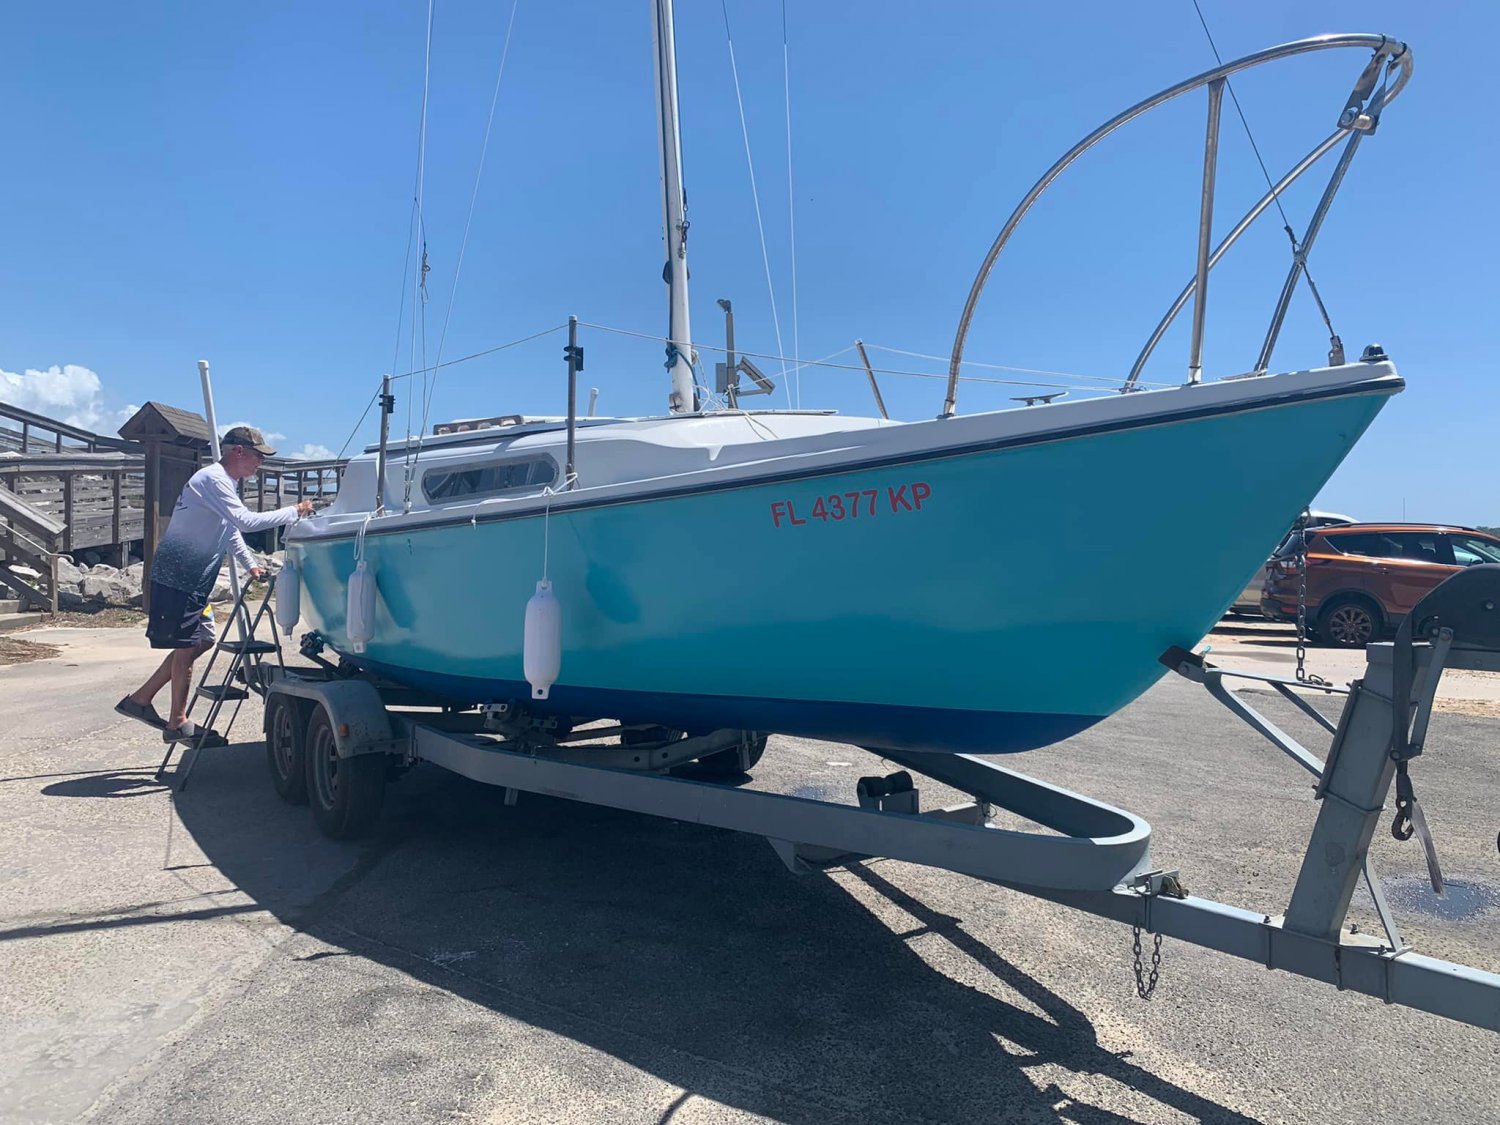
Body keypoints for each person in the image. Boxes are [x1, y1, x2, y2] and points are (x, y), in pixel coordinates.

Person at [116, 425, 313, 742]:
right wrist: (295, 510)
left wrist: (250, 564)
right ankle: (177, 721)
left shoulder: (223, 484)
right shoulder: (213, 479)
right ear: (238, 451)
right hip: (179, 577)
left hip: (194, 579)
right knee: (187, 646)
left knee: (203, 640)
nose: (260, 463)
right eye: (258, 456)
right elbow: (246, 521)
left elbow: (229, 528)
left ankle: (140, 700)